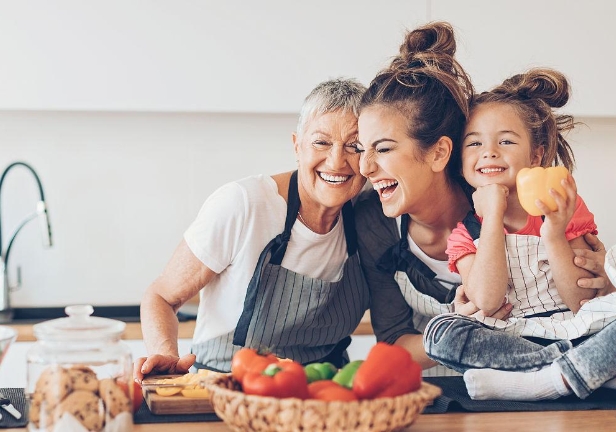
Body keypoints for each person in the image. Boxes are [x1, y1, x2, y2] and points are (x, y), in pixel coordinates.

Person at [353, 22, 613, 377]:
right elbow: (395, 343)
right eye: (361, 149)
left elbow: (585, 298)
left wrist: (605, 278)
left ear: (441, 152)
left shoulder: (513, 194)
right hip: (456, 385)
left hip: (567, 346)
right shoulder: (375, 223)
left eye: (383, 149)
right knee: (444, 336)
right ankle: (553, 371)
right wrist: (459, 320)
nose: (365, 167)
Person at [134, 78, 370, 380]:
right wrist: (167, 356)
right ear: (297, 146)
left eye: (355, 146)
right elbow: (161, 296)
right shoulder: (243, 204)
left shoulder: (372, 216)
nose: (337, 161)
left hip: (323, 393)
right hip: (225, 388)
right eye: (321, 142)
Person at [423, 68, 616, 400]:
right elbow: (487, 300)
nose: (490, 151)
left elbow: (580, 302)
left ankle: (547, 381)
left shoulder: (562, 205)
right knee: (440, 333)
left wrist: (554, 234)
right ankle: (572, 371)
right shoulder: (465, 234)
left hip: (576, 328)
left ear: (536, 155)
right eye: (474, 143)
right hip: (513, 340)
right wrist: (493, 215)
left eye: (506, 141)